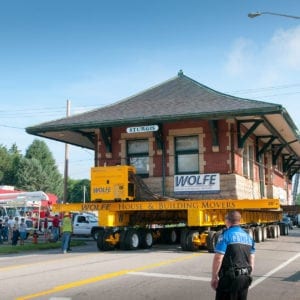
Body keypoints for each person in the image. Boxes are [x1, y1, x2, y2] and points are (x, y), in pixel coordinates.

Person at [211, 210, 255, 300]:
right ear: (239, 221)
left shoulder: (225, 235)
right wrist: (248, 275)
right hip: (245, 278)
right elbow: (252, 260)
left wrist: (214, 277)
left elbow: (218, 258)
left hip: (229, 280)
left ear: (227, 221)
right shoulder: (248, 237)